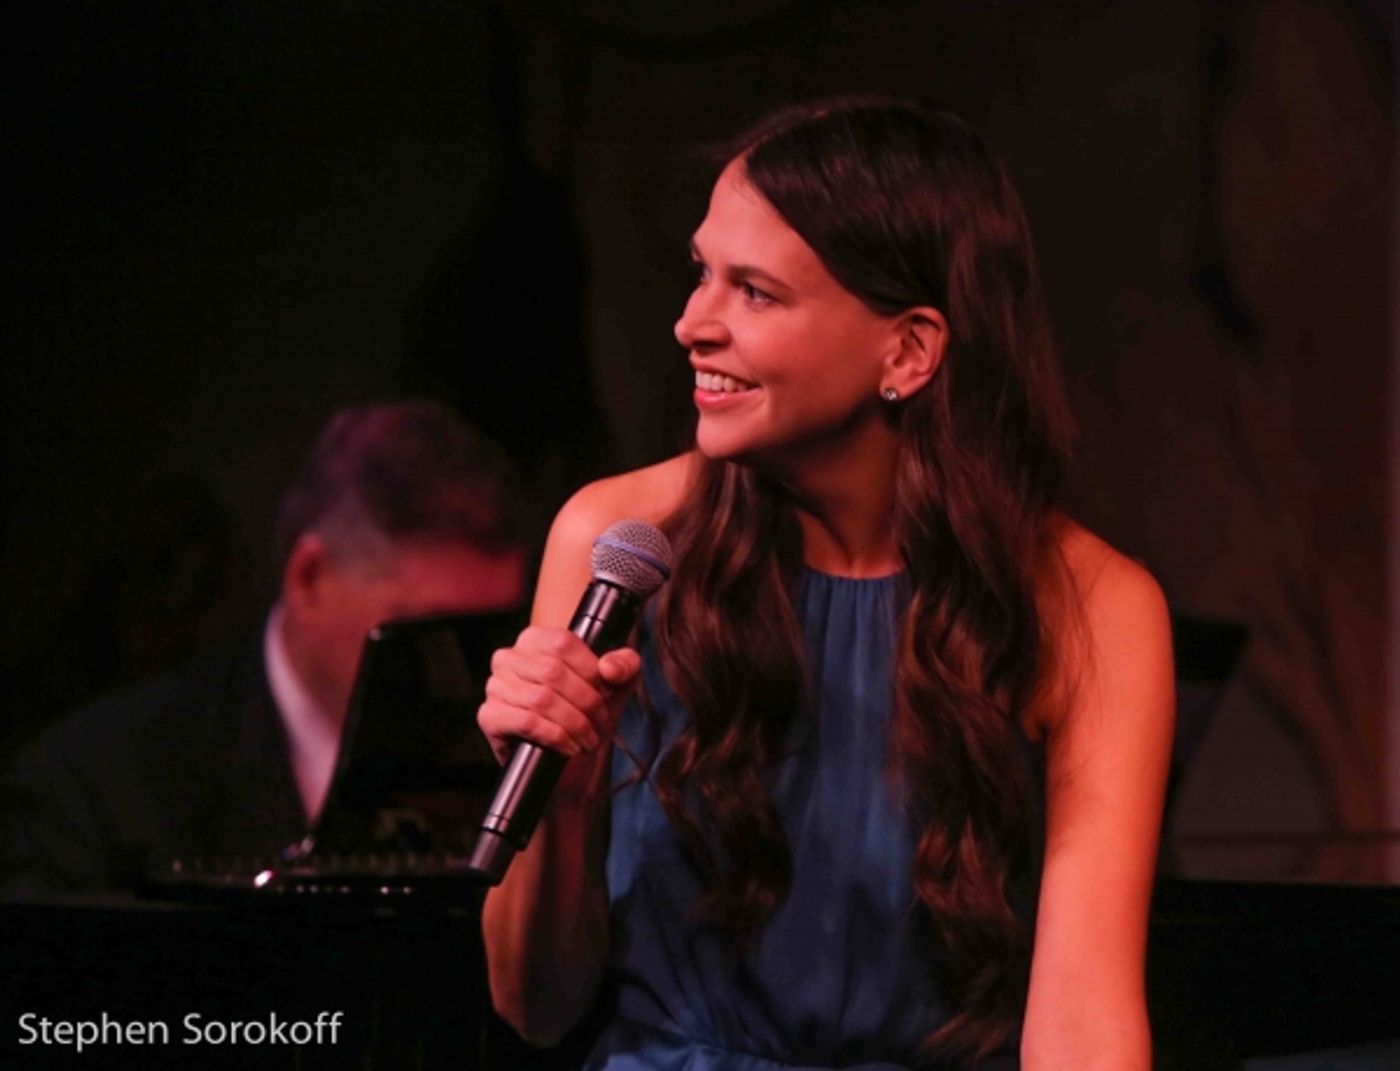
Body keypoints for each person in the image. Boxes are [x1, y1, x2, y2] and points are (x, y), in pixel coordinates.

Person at [476, 96, 1175, 1070]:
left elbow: (1083, 1021)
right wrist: (564, 783)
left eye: (753, 292)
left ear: (907, 350)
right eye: (700, 274)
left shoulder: (1087, 606)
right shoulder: (619, 540)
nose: (690, 324)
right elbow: (532, 1006)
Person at [0, 400, 528, 899]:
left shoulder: (508, 767)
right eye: (428, 631)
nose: (466, 675)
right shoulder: (96, 786)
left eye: (488, 634)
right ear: (310, 578)